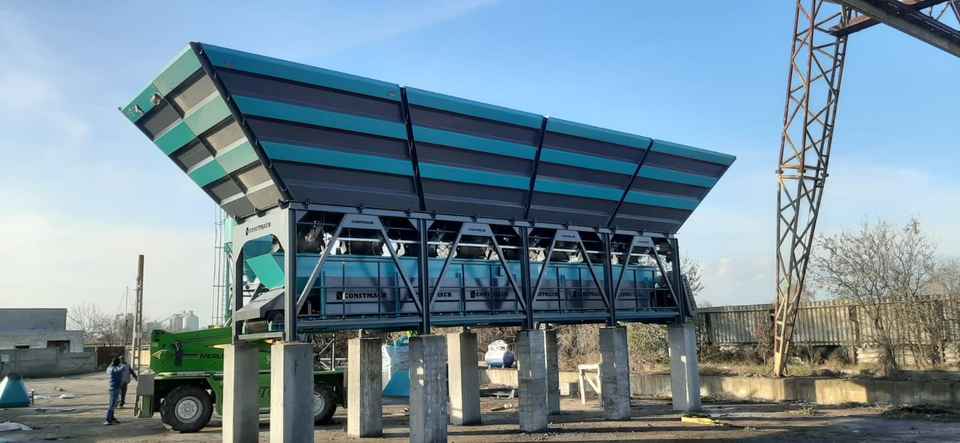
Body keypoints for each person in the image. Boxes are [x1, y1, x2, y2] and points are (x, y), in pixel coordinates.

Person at [104, 356, 124, 425]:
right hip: (114, 388)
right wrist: (122, 362)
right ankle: (108, 420)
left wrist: (114, 362)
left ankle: (112, 418)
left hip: (113, 388)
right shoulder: (115, 369)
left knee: (114, 404)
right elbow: (122, 368)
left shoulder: (109, 368)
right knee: (112, 404)